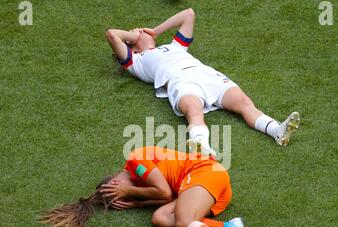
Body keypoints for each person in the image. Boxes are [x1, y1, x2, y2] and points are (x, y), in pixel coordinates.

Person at [105, 8, 301, 156]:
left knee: (244, 103)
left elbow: (189, 14)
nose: (137, 30)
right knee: (194, 110)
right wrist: (135, 36)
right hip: (180, 81)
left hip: (207, 75)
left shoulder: (175, 46)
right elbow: (112, 34)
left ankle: (277, 130)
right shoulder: (137, 62)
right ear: (133, 49)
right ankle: (201, 146)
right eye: (133, 34)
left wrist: (154, 31)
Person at [40, 146, 249, 227]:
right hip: (205, 189)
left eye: (117, 190)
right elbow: (165, 198)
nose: (125, 192)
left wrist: (129, 193)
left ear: (113, 182)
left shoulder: (134, 160)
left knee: (184, 221)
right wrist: (136, 202)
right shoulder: (138, 186)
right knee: (160, 218)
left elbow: (165, 193)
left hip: (205, 173)